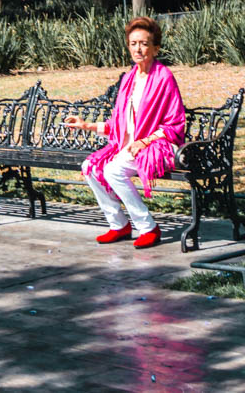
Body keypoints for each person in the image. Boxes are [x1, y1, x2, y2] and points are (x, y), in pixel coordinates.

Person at [64, 16, 185, 250]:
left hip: (159, 145)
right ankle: (119, 224)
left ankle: (148, 227)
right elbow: (119, 123)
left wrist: (145, 141)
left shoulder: (163, 77)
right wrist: (86, 125)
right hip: (130, 147)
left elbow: (175, 125)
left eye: (143, 43)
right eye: (133, 43)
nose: (137, 49)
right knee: (89, 166)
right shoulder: (129, 78)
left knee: (112, 169)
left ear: (155, 48)